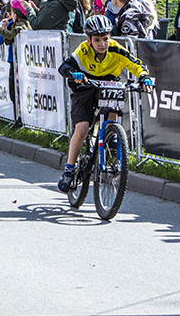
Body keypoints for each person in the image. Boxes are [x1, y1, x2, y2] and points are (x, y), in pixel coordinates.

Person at [57, 15, 153, 193]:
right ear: (89, 40)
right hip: (86, 87)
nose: (102, 44)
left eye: (106, 39)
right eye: (97, 40)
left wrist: (144, 77)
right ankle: (69, 170)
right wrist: (73, 73)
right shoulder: (83, 50)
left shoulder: (116, 49)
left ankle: (111, 135)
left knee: (113, 109)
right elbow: (64, 67)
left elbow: (136, 64)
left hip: (108, 84)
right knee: (83, 127)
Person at [0, 0, 32, 113]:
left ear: (17, 13)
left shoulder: (22, 25)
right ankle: (16, 116)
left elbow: (12, 35)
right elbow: (7, 40)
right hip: (14, 60)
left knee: (18, 91)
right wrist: (4, 28)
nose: (10, 15)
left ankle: (20, 117)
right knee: (13, 91)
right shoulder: (14, 24)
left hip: (20, 61)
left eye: (12, 13)